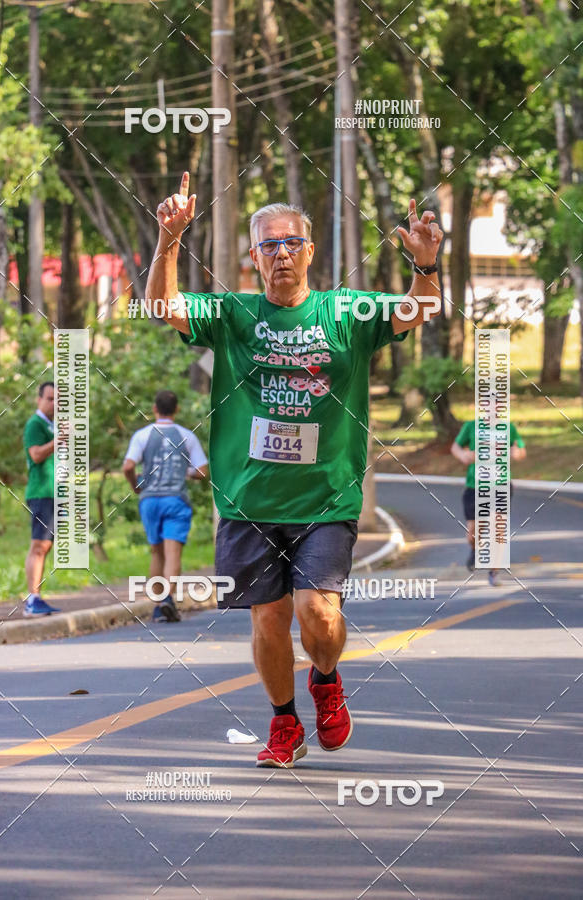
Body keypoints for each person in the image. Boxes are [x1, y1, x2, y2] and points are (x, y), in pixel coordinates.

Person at [145, 171, 443, 767]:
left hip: (325, 498)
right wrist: (170, 239)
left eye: (291, 243)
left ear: (310, 252)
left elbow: (420, 311)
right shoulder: (232, 313)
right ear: (254, 257)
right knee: (269, 620)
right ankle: (284, 721)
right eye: (269, 245)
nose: (281, 253)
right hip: (248, 501)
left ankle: (326, 680)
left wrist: (427, 263)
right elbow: (161, 306)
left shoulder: (347, 311)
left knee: (318, 612)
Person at [123, 390, 209, 623]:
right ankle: (167, 599)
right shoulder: (186, 436)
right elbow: (202, 471)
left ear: (154, 409)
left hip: (150, 500)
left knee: (157, 552)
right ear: (177, 409)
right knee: (173, 553)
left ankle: (158, 606)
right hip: (175, 500)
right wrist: (184, 472)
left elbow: (128, 466)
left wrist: (136, 486)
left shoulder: (142, 435)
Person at [451, 418, 526, 586]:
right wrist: (463, 455)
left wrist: (517, 453)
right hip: (475, 486)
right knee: (473, 532)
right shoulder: (471, 426)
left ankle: (494, 572)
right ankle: (474, 548)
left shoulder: (509, 428)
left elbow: (521, 449)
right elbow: (455, 447)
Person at [23, 382, 61, 617]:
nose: (54, 404)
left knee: (45, 546)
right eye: (50, 399)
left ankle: (36, 597)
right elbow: (35, 455)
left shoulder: (52, 425)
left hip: (53, 493)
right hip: (41, 492)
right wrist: (59, 440)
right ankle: (32, 600)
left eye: (58, 400)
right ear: (39, 400)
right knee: (39, 545)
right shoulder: (35, 424)